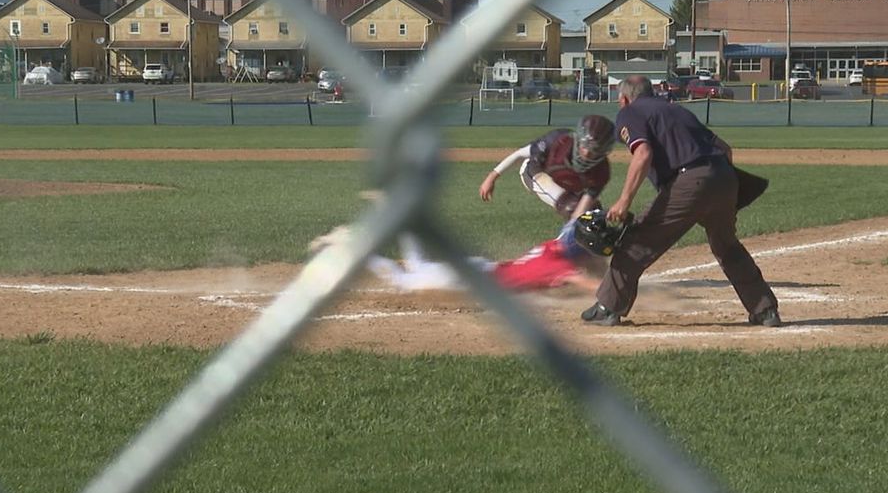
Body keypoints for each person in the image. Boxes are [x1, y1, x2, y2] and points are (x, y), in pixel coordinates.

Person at [581, 74, 781, 328]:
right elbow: (726, 149)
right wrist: (714, 189)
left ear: (624, 98)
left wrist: (624, 201)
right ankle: (765, 310)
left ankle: (607, 308)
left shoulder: (630, 112)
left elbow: (642, 154)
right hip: (725, 177)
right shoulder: (677, 110)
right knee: (727, 246)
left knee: (636, 242)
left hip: (689, 181)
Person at [313, 209, 626, 293]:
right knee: (404, 281)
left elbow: (573, 238)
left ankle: (406, 219)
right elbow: (595, 288)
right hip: (467, 279)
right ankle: (347, 245)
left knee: (417, 266)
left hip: (477, 271)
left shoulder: (552, 248)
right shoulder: (559, 269)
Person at [478, 114, 615, 220]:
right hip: (534, 173)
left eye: (595, 149)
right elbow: (521, 154)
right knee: (571, 206)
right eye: (584, 145)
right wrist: (492, 177)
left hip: (569, 185)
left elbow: (586, 203)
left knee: (593, 213)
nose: (586, 152)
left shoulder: (602, 171)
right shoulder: (558, 141)